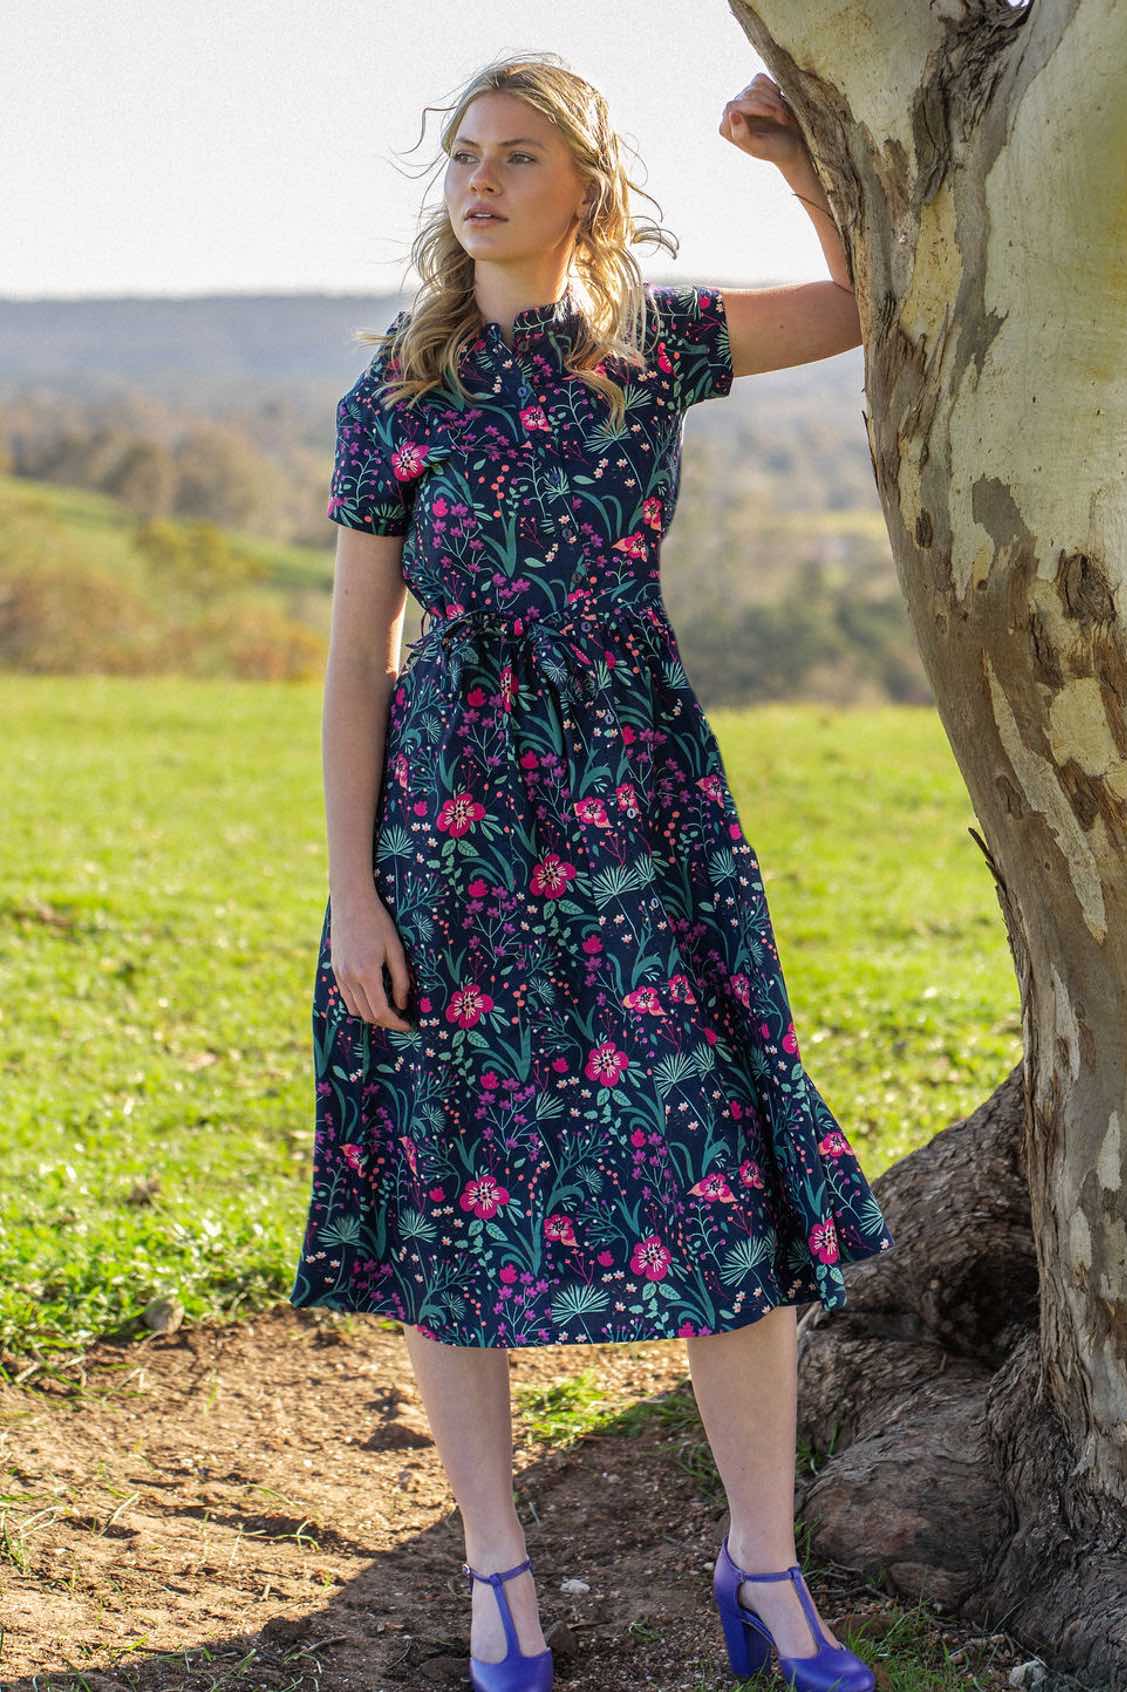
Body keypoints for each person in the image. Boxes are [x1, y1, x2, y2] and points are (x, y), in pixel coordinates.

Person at [290, 50, 891, 1692]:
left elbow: (863, 299)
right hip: (452, 830)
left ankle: (765, 1570)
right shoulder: (395, 404)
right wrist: (357, 892)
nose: (480, 180)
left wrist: (792, 160)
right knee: (450, 1186)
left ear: (587, 194)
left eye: (521, 156)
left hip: (641, 816)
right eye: (467, 156)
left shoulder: (658, 347)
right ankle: (501, 1583)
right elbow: (356, 659)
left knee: (721, 1174)